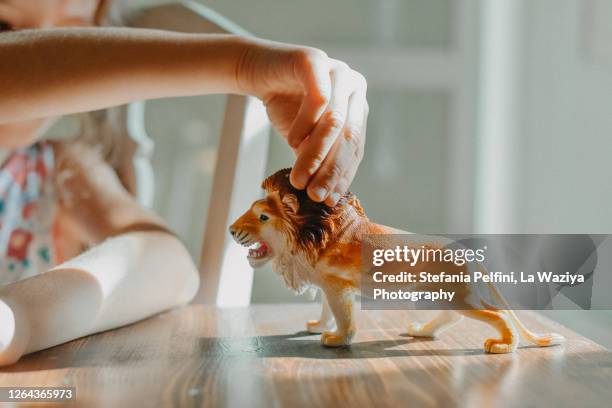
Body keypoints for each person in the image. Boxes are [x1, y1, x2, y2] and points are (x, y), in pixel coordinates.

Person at [0, 0, 368, 364]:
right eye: (5, 26)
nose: (63, 61)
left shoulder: (50, 171)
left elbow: (168, 265)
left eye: (79, 36)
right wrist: (243, 66)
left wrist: (21, 318)